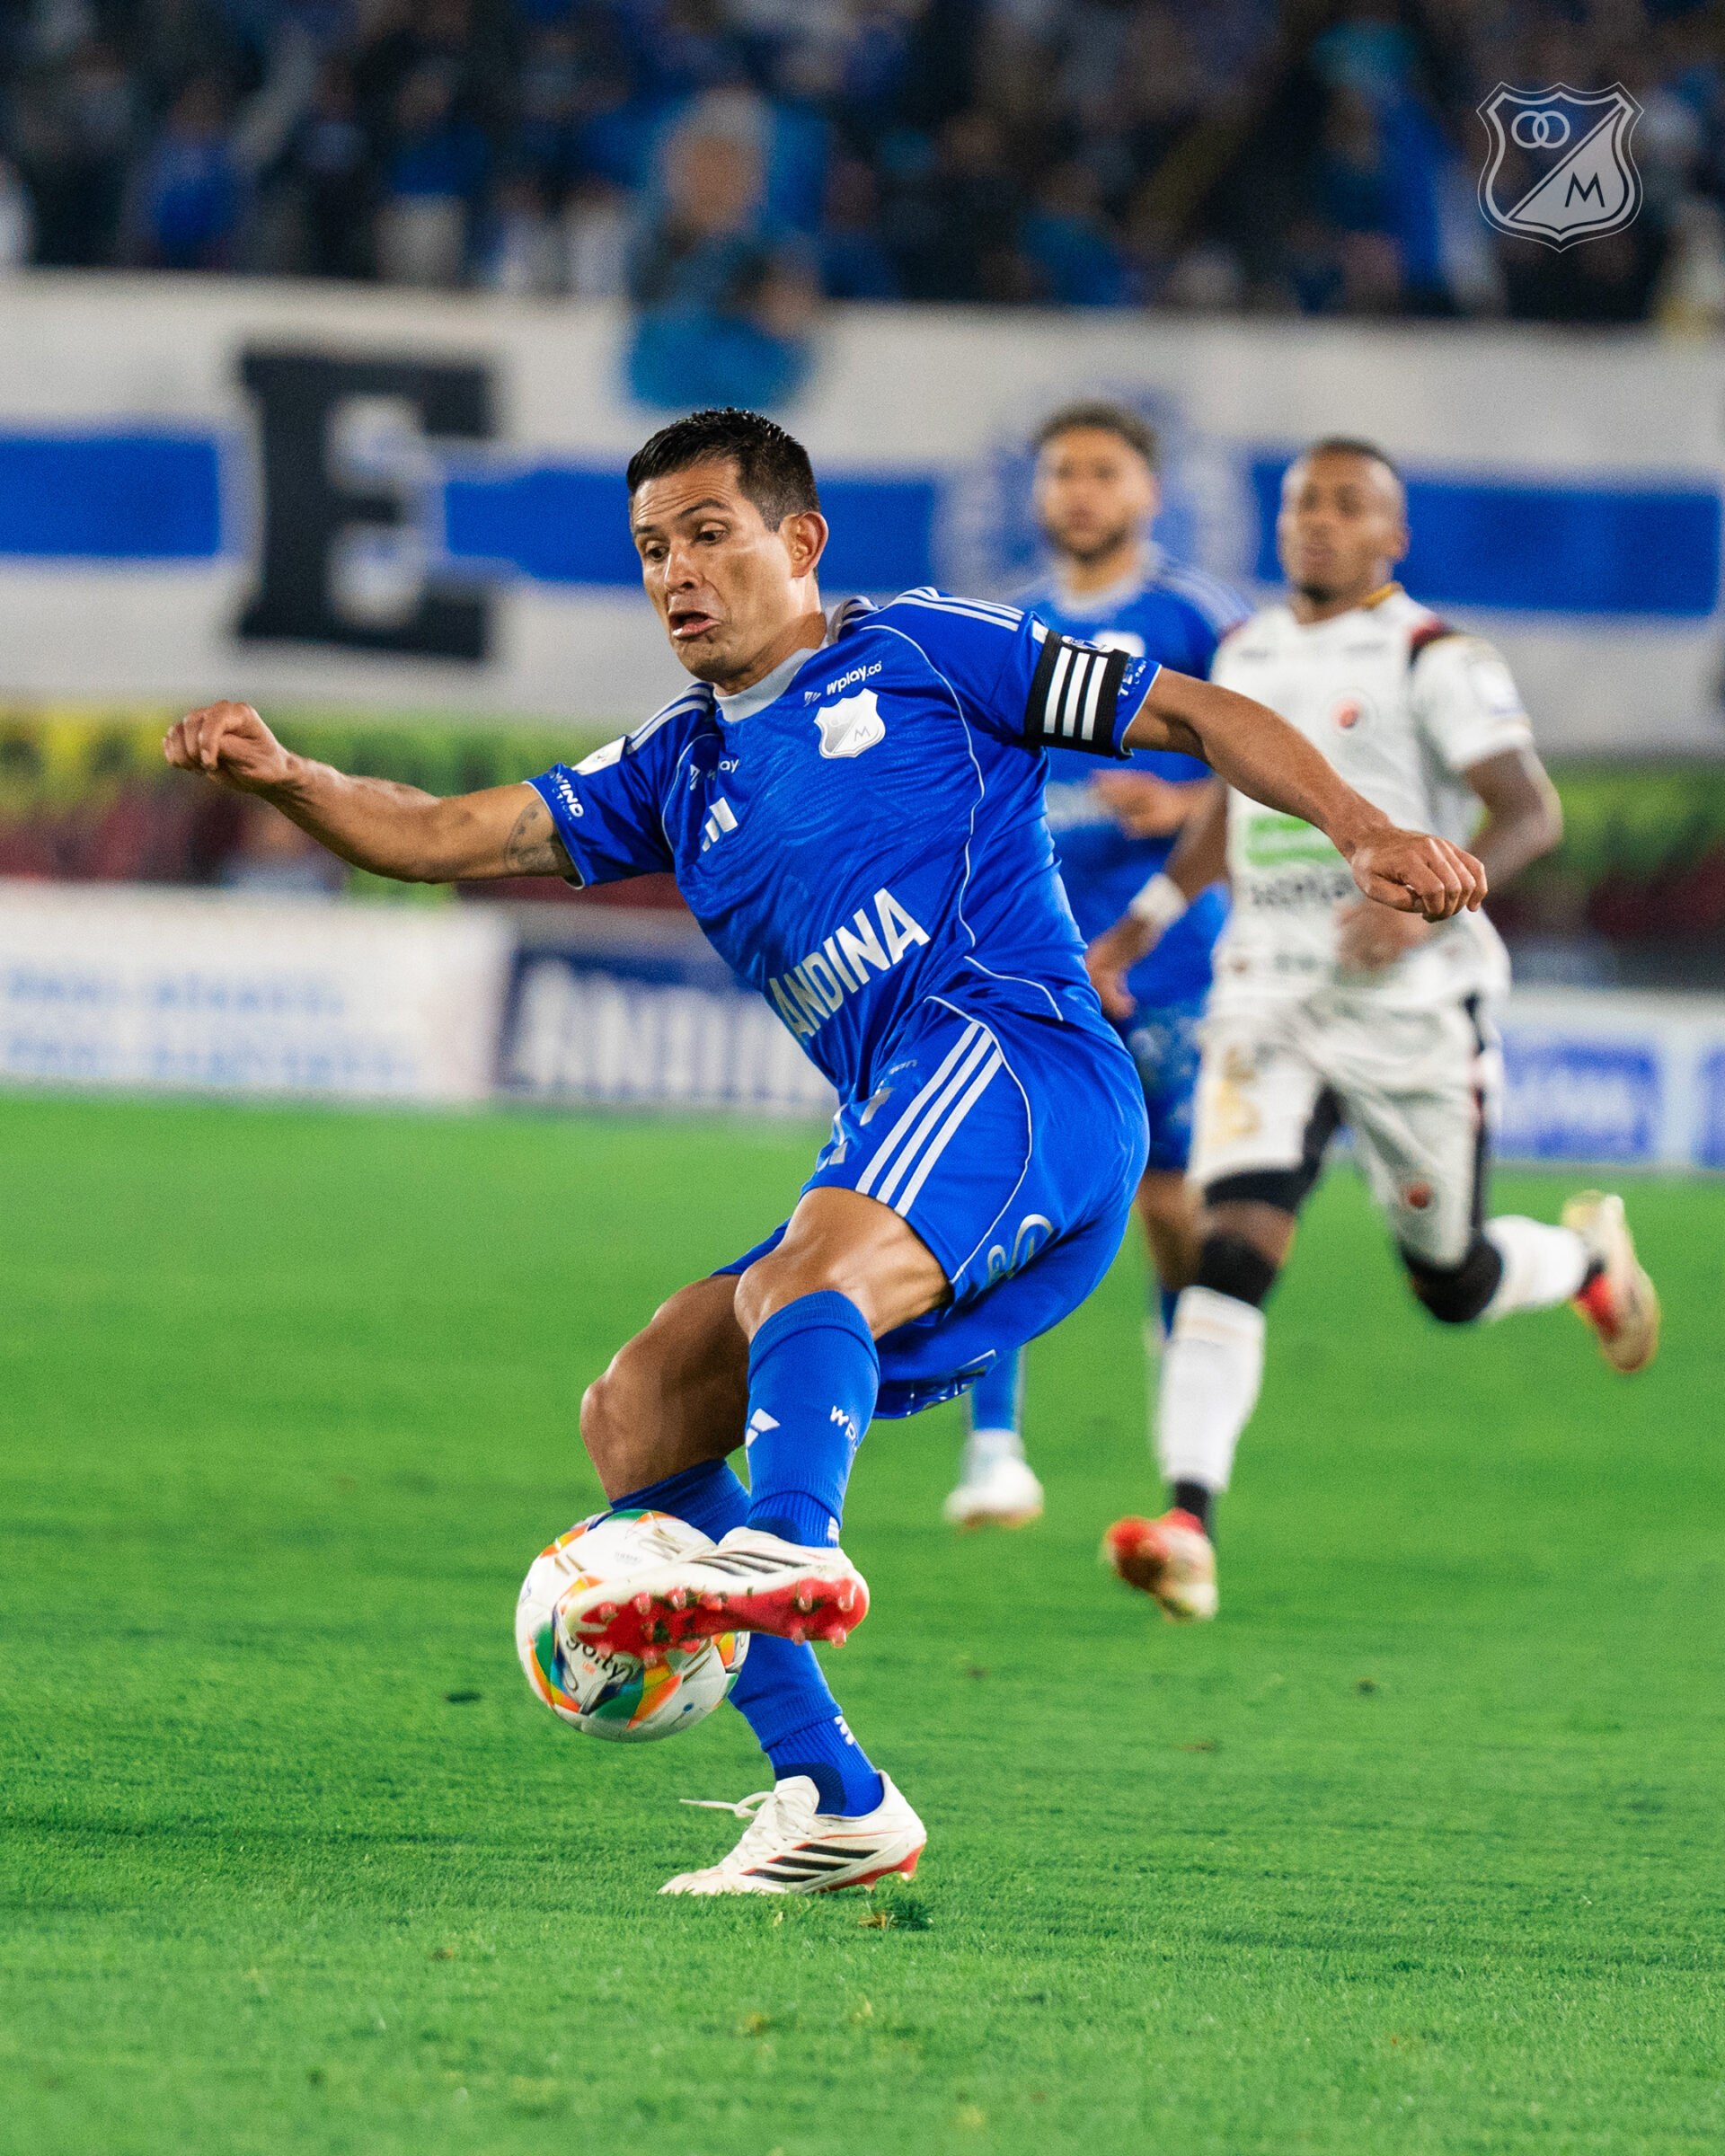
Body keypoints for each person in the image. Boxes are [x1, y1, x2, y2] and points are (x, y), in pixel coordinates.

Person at [163, 409, 1485, 1896]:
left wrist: (1361, 826)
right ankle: (835, 1796)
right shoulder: (672, 767)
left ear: (799, 541)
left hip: (1027, 1068)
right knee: (642, 1411)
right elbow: (434, 832)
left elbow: (1195, 715)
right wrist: (287, 776)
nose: (676, 573)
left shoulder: (925, 651)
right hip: (914, 1124)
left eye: (708, 534)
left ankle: (789, 1545)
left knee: (802, 1282)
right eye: (652, 549)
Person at [1087, 437, 1659, 1626]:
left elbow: (1529, 812)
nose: (1319, 522)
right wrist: (1137, 932)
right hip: (1270, 994)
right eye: (1304, 502)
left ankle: (1588, 1264)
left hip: (1412, 1009)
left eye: (1348, 506)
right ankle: (1187, 1525)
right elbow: (1229, 815)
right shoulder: (1247, 651)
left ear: (1391, 537)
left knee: (1452, 1280)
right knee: (1232, 1243)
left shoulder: (1431, 656)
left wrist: (1422, 910)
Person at [945, 401, 1248, 1532]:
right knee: (1010, 1183)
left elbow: (1269, 751)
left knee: (1172, 1205)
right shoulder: (1008, 624)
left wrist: (1181, 800)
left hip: (1172, 956)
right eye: (1061, 471)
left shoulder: (1197, 617)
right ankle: (993, 1450)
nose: (1079, 491)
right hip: (1032, 954)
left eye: (1103, 472)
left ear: (1148, 493)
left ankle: (1184, 1421)